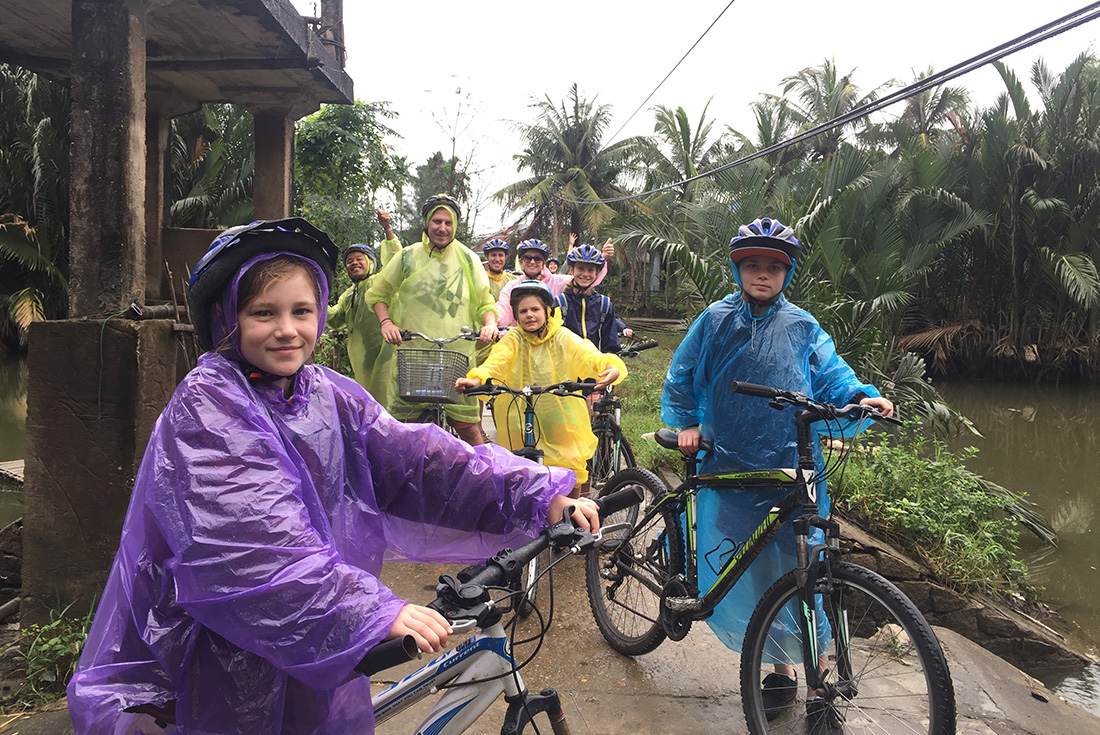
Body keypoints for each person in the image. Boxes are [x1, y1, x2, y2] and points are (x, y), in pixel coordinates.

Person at [67, 218, 599, 735]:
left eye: (302, 310)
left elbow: (417, 459)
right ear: (227, 318)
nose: (287, 329)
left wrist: (537, 494)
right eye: (262, 313)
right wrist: (364, 610)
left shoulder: (323, 392)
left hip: (312, 626)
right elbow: (252, 547)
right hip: (229, 646)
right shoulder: (210, 405)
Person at [661, 216, 894, 721]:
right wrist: (684, 423)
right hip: (730, 463)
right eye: (752, 266)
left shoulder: (803, 325)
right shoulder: (714, 320)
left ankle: (815, 678)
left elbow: (833, 375)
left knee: (802, 563)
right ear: (738, 269)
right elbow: (681, 376)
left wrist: (862, 399)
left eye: (772, 267)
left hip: (791, 462)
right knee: (751, 564)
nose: (761, 275)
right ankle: (779, 667)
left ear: (786, 274)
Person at [457, 280, 627, 499]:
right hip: (519, 418)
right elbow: (496, 362)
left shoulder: (562, 337)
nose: (529, 315)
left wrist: (610, 367)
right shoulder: (514, 339)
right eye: (523, 311)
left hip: (560, 415)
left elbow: (587, 354)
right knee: (520, 471)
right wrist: (477, 379)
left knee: (570, 465)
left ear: (547, 311)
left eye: (535, 309)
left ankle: (574, 517)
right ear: (516, 316)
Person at [365, 195, 498, 444]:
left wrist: (489, 324)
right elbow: (378, 294)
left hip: (456, 356)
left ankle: (483, 481)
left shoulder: (469, 259)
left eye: (448, 222)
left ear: (455, 226)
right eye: (437, 221)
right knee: (402, 432)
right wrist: (387, 323)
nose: (442, 228)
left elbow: (484, 302)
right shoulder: (406, 257)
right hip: (412, 355)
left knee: (469, 428)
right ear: (427, 223)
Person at [326, 221, 400, 405]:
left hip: (388, 355)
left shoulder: (381, 282)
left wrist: (388, 229)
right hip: (364, 362)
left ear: (371, 263)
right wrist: (316, 299)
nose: (354, 263)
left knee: (387, 404)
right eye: (349, 261)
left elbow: (397, 261)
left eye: (359, 258)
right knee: (371, 404)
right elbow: (335, 320)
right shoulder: (348, 294)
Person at [495, 237, 614, 327]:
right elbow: (503, 308)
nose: (532, 262)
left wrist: (602, 259)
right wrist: (493, 324)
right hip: (522, 343)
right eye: (527, 258)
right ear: (521, 261)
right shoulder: (512, 287)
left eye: (537, 258)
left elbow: (585, 280)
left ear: (543, 261)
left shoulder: (558, 282)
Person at [553, 243, 625, 354]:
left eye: (590, 270)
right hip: (567, 368)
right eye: (580, 268)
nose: (585, 274)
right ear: (571, 270)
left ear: (597, 273)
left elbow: (611, 345)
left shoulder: (604, 305)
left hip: (596, 368)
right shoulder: (560, 302)